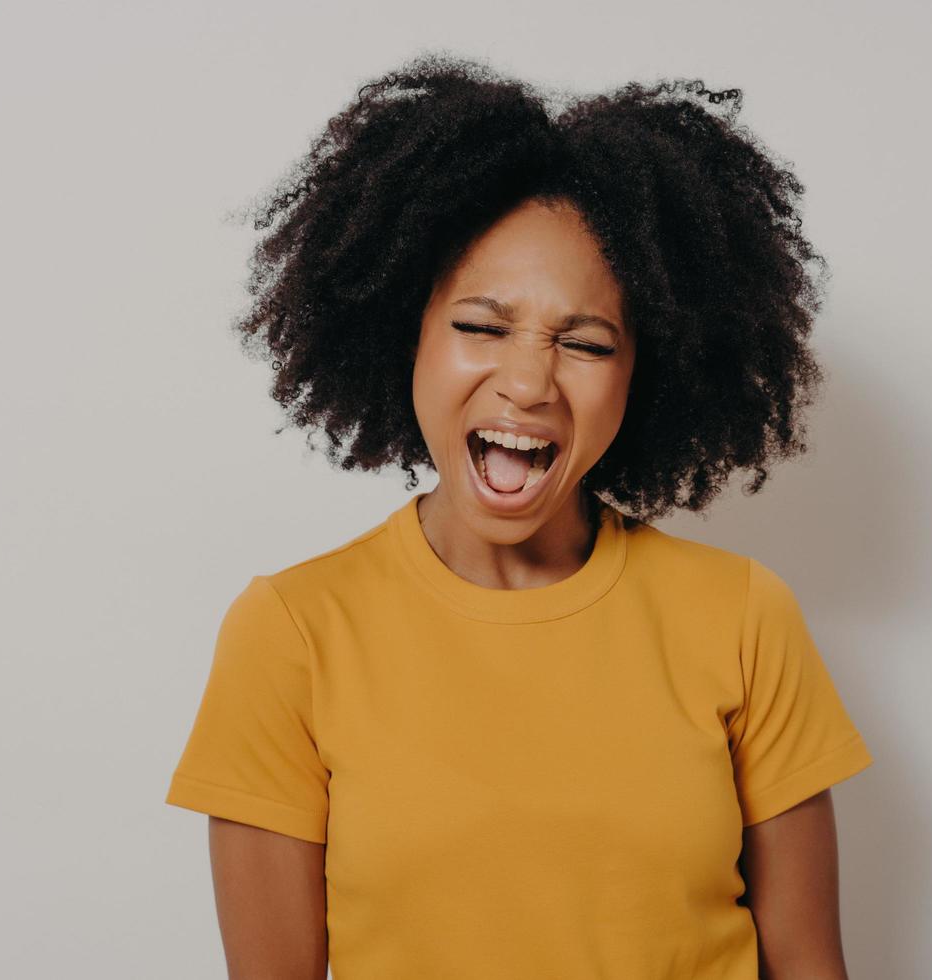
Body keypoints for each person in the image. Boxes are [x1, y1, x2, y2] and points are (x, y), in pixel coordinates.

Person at [165, 52, 873, 979]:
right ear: (401, 333)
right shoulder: (294, 633)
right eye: (481, 326)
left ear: (642, 377)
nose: (531, 381)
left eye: (584, 342)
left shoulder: (742, 617)